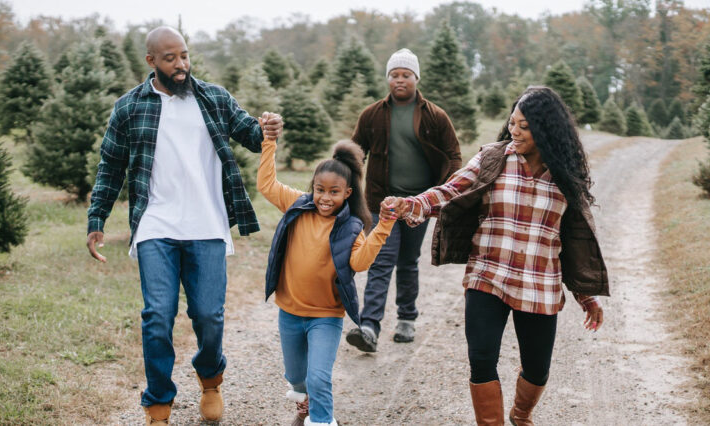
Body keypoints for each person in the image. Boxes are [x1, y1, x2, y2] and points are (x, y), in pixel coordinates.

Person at [85, 26, 283, 425]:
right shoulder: (129, 107)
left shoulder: (213, 97)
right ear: (151, 61)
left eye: (185, 56)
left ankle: (210, 379)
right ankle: (158, 401)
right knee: (157, 316)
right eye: (171, 58)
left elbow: (248, 134)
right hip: (155, 224)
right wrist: (97, 220)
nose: (181, 65)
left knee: (208, 317)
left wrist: (267, 129)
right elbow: (110, 167)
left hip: (207, 225)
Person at [380, 86, 608, 426]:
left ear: (546, 130)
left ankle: (521, 414)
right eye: (512, 122)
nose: (514, 131)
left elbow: (573, 243)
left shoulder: (564, 176)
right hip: (487, 274)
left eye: (525, 126)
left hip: (539, 284)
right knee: (482, 360)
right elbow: (450, 190)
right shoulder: (494, 158)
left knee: (537, 368)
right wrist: (410, 204)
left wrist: (585, 295)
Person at [257, 133, 396, 426]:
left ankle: (321, 420)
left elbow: (359, 262)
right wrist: (269, 142)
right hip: (290, 312)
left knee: (318, 377)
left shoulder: (351, 226)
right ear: (313, 188)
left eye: (334, 192)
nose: (325, 197)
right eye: (320, 189)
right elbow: (267, 185)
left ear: (347, 193)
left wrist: (384, 225)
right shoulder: (297, 206)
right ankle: (304, 405)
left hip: (326, 316)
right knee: (296, 377)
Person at [345, 48, 462, 352]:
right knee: (381, 262)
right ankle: (368, 326)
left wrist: (440, 193)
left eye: (406, 75)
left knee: (408, 262)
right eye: (394, 75)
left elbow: (453, 155)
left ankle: (406, 319)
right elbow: (355, 153)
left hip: (417, 205)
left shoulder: (434, 115)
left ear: (415, 78)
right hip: (381, 203)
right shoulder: (372, 114)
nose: (400, 80)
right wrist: (343, 184)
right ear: (388, 79)